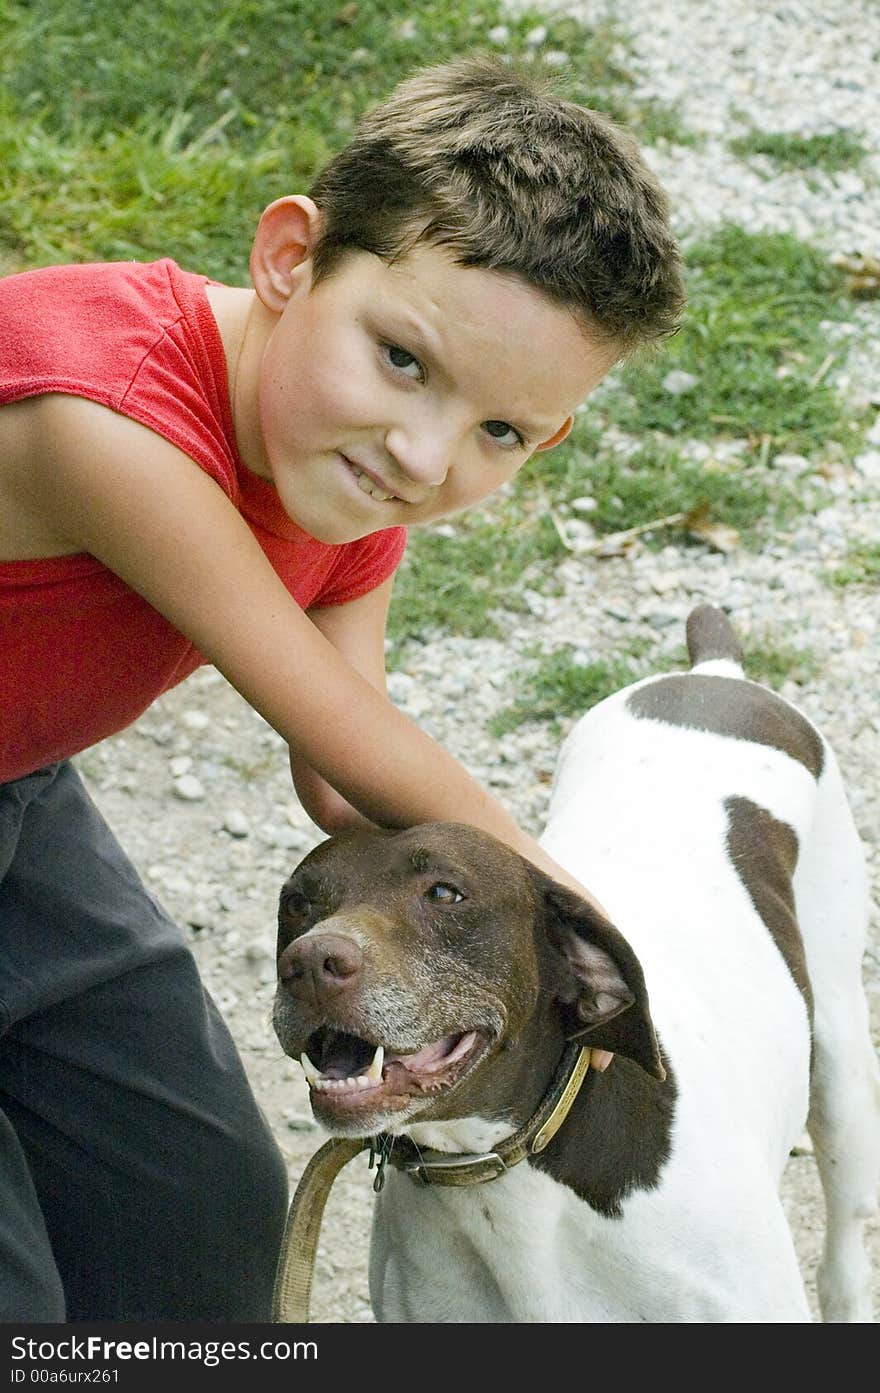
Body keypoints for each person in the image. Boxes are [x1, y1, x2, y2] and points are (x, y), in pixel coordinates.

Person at [0, 55, 685, 1321]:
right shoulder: (101, 421)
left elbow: (337, 787)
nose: (424, 456)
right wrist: (586, 919)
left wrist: (447, 947)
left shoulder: (356, 478)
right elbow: (350, 736)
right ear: (287, 258)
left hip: (17, 798)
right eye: (403, 360)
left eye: (500, 432)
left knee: (198, 1202)